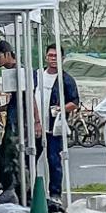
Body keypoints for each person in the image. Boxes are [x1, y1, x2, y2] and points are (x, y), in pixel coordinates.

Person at [38, 44, 81, 196]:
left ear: (62, 59)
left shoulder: (66, 79)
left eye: (56, 56)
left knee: (54, 161)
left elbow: (75, 102)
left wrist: (60, 109)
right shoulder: (38, 75)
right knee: (28, 160)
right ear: (46, 57)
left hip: (54, 128)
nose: (53, 59)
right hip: (36, 127)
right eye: (51, 55)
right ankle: (28, 192)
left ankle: (55, 194)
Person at [0, 41, 25, 201]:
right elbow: (13, 103)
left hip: (20, 124)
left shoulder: (19, 72)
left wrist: (36, 121)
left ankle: (13, 191)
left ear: (8, 53)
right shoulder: (11, 73)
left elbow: (29, 99)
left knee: (8, 158)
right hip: (13, 119)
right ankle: (13, 191)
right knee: (5, 157)